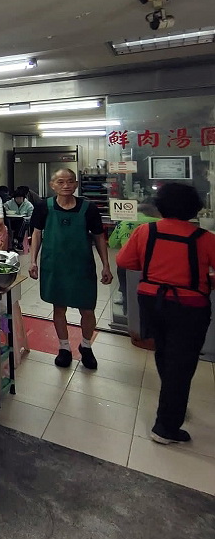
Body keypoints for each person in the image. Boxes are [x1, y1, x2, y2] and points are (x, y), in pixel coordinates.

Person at [116, 183, 215, 445]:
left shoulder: (145, 231)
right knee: (182, 362)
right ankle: (166, 426)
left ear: (160, 206)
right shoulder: (205, 238)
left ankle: (173, 400)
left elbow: (124, 261)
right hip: (190, 306)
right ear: (195, 209)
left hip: (151, 300)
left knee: (164, 352)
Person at [29, 168, 113, 370]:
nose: (65, 186)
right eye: (60, 182)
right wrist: (33, 261)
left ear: (76, 185)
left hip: (81, 266)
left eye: (69, 182)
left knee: (87, 309)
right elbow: (37, 234)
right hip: (54, 265)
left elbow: (99, 236)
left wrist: (106, 265)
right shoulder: (44, 206)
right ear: (52, 185)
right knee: (59, 308)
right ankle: (64, 347)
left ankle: (86, 346)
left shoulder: (89, 208)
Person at [4, 186, 35, 251]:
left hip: (24, 223)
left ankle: (17, 239)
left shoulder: (28, 205)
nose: (18, 200)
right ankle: (17, 241)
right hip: (12, 222)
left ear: (23, 198)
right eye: (17, 198)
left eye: (20, 198)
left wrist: (25, 217)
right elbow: (4, 207)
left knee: (23, 221)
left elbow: (31, 216)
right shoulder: (10, 203)